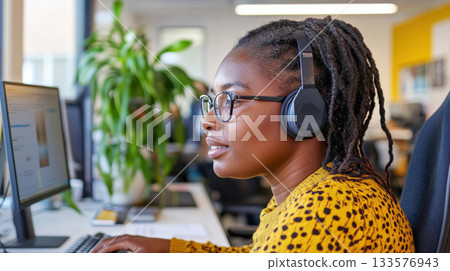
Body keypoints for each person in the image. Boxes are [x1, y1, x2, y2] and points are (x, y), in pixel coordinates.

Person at [93, 17, 415, 253]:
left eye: (230, 100)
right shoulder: (311, 197)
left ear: (303, 112)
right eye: (211, 102)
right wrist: (169, 250)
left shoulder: (322, 211)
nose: (206, 121)